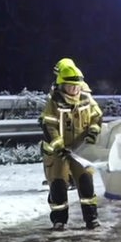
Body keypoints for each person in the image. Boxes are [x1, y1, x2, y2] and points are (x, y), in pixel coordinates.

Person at [39, 60, 103, 231]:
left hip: (80, 150)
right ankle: (59, 221)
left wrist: (93, 133)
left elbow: (97, 116)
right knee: (58, 186)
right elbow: (48, 125)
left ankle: (91, 218)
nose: (74, 89)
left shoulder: (86, 97)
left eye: (76, 85)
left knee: (86, 184)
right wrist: (59, 145)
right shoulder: (54, 101)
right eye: (70, 85)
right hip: (58, 152)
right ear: (62, 85)